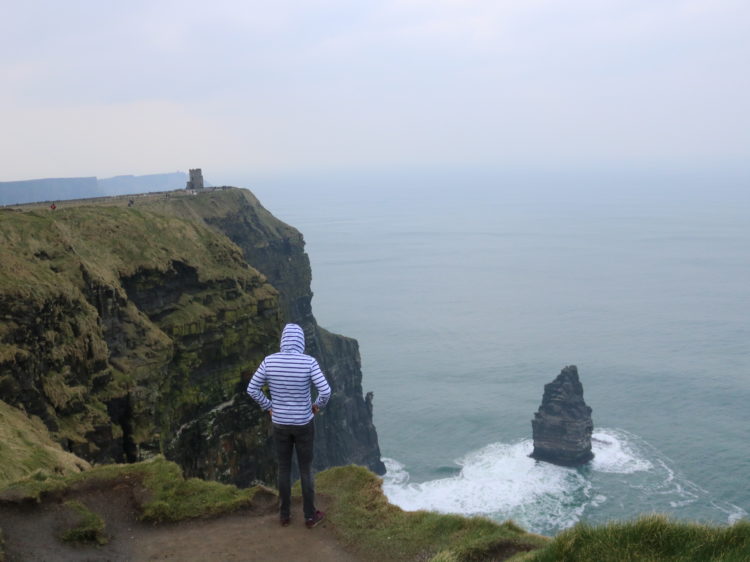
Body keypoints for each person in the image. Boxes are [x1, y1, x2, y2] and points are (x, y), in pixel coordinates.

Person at [247, 323, 331, 528]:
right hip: (303, 423)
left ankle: (284, 515)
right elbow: (326, 391)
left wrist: (269, 406)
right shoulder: (308, 362)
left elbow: (252, 388)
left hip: (280, 424)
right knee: (305, 469)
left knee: (283, 469)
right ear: (301, 341)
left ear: (283, 340)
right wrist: (316, 406)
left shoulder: (269, 361)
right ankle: (310, 516)